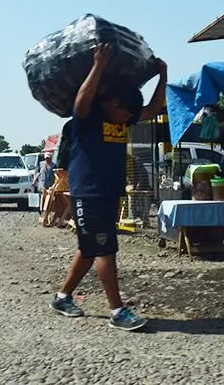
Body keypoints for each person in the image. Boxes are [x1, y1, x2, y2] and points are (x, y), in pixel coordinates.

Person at [49, 44, 167, 332]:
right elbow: (80, 102)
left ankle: (62, 298)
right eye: (125, 115)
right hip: (89, 193)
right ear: (114, 104)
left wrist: (163, 76)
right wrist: (98, 65)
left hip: (108, 191)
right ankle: (117, 310)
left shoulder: (122, 117)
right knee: (105, 250)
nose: (127, 121)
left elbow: (152, 109)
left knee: (90, 248)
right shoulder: (88, 118)